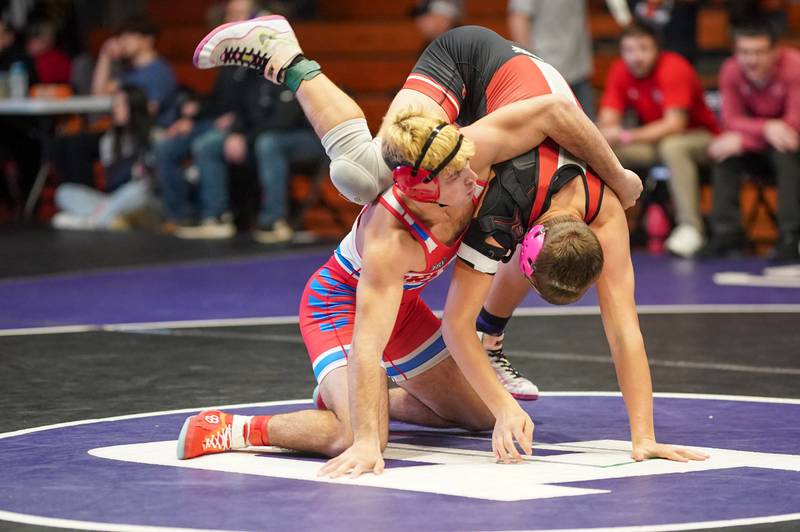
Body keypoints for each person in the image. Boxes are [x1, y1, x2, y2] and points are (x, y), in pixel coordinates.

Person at [174, 19, 705, 476]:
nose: (472, 185)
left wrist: (644, 435)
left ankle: (377, 394)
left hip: (413, 290)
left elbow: (623, 326)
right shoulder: (468, 176)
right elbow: (553, 113)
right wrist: (365, 437)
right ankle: (287, 58)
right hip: (349, 296)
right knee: (363, 174)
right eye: (462, 179)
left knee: (479, 413)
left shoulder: (530, 199)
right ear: (423, 186)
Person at [598, 23, 719, 258]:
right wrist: (608, 134)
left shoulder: (674, 67)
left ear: (657, 49)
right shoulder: (620, 70)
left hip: (700, 138)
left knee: (673, 146)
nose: (636, 56)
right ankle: (599, 224)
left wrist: (625, 135)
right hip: (655, 143)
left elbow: (675, 125)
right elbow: (608, 122)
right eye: (629, 50)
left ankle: (691, 228)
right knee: (602, 150)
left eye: (643, 48)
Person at [155, 0, 259, 236]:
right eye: (229, 14)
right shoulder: (230, 56)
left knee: (206, 145)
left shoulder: (260, 56)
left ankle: (217, 216)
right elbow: (217, 100)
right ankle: (181, 215)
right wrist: (191, 119)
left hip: (244, 127)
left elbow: (260, 103)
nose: (231, 19)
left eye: (239, 14)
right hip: (215, 122)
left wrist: (236, 125)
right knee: (165, 146)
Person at [700, 22, 800, 261]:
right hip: (759, 144)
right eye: (744, 52)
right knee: (725, 154)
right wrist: (766, 128)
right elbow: (731, 119)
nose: (751, 60)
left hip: (792, 145)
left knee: (786, 152)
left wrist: (747, 138)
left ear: (775, 52)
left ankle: (790, 236)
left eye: (759, 52)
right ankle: (727, 235)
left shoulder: (795, 66)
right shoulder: (730, 70)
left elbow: (794, 123)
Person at [51, 85, 156, 230]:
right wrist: (130, 170)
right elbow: (111, 180)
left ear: (134, 106)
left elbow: (154, 183)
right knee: (64, 192)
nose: (115, 109)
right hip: (115, 199)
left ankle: (90, 221)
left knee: (138, 190)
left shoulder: (153, 136)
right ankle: (109, 219)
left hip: (142, 203)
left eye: (120, 105)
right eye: (115, 105)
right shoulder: (110, 139)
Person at [507, 0, 596, 120]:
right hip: (547, 73)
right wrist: (531, 64)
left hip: (579, 70)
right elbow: (518, 18)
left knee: (589, 131)